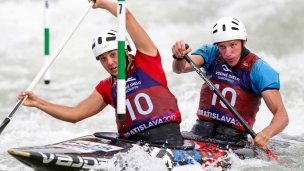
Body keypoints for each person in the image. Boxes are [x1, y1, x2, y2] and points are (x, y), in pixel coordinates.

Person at [18, 0, 183, 146]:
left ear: (125, 50)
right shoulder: (106, 87)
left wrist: (102, 3)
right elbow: (75, 114)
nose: (109, 62)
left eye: (113, 54)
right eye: (103, 59)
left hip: (168, 139)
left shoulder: (147, 60)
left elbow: (126, 16)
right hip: (134, 146)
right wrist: (37, 102)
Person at [171, 17, 289, 150]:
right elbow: (180, 68)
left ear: (244, 42)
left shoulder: (259, 69)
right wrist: (179, 56)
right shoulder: (211, 52)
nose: (228, 53)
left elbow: (282, 115)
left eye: (233, 45)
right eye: (222, 46)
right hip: (199, 133)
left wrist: (266, 133)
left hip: (234, 142)